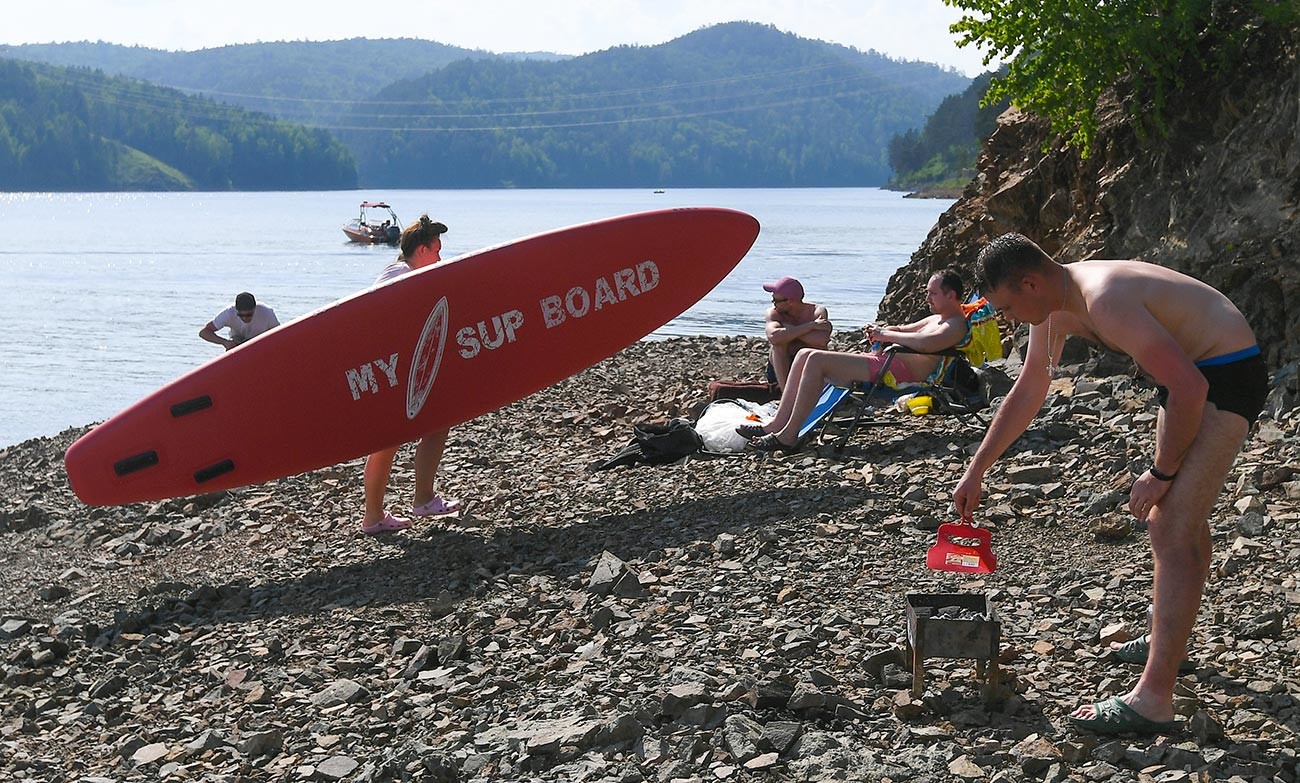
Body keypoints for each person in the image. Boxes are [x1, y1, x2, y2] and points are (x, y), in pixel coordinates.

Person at [953, 233, 1268, 735]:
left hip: (1225, 374)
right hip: (1191, 375)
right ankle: (1171, 638)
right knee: (1182, 520)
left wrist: (1160, 472)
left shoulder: (1104, 299)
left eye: (1007, 307)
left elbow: (1192, 387)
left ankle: (1154, 700)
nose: (1008, 319)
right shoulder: (1054, 303)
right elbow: (1030, 387)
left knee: (1170, 525)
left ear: (1030, 282)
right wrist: (978, 469)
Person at [741, 269, 971, 452]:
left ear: (951, 296)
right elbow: (903, 329)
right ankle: (775, 425)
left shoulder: (955, 325)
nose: (927, 297)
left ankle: (789, 436)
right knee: (804, 355)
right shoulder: (936, 318)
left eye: (933, 293)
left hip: (897, 374)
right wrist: (882, 329)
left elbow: (925, 344)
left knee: (817, 360)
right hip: (884, 363)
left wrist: (886, 335)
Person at [361, 214, 462, 534]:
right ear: (421, 251)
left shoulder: (407, 273)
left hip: (393, 370)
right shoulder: (399, 274)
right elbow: (379, 317)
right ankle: (406, 505)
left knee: (422, 428)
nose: (440, 258)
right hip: (389, 371)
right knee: (401, 436)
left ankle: (392, 511)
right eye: (436, 250)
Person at [763, 276, 832, 389]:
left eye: (776, 300)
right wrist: (811, 326)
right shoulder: (774, 313)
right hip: (782, 367)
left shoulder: (816, 311)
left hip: (808, 364)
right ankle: (785, 392)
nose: (773, 304)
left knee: (816, 348)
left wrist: (789, 330)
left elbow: (821, 340)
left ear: (790, 301)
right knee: (779, 346)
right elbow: (774, 336)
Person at [199, 292, 279, 350]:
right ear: (236, 310)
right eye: (241, 315)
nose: (245, 318)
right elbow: (204, 332)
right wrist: (225, 342)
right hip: (237, 344)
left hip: (260, 344)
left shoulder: (267, 312)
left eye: (249, 315)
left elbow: (278, 335)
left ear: (255, 309)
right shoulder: (229, 313)